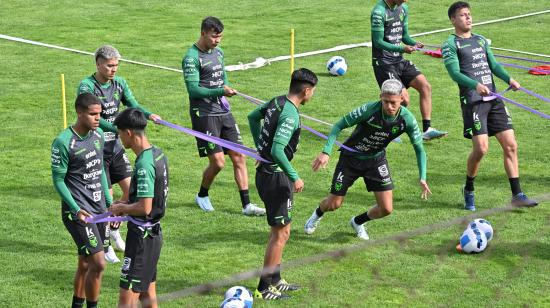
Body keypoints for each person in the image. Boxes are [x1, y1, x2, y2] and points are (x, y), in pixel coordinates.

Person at [304, 79, 431, 240]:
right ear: (380, 97)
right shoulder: (369, 110)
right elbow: (338, 125)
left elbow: (419, 149)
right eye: (385, 101)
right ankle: (316, 215)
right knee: (333, 204)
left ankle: (357, 222)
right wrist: (326, 152)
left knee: (386, 208)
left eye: (393, 102)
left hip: (375, 161)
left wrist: (423, 177)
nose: (389, 107)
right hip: (350, 160)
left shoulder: (407, 120)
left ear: (401, 99)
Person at [442, 1, 538, 210]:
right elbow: (454, 73)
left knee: (511, 145)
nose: (468, 18)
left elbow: (493, 65)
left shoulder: (481, 40)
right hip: (473, 101)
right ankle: (469, 188)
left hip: (493, 99)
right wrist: (475, 85)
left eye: (469, 14)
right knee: (481, 149)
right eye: (462, 15)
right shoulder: (450, 44)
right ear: (453, 20)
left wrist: (509, 79)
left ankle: (517, 194)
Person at [79, 45, 162, 261]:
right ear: (98, 64)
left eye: (116, 65)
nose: (114, 69)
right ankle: (104, 245)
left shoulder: (120, 83)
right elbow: (93, 117)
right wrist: (118, 128)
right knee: (105, 199)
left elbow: (132, 104)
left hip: (116, 147)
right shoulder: (88, 86)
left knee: (128, 192)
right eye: (109, 65)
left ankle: (114, 229)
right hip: (96, 150)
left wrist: (148, 114)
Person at [182, 16, 265, 216]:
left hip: (223, 111)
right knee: (218, 162)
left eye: (220, 37)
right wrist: (220, 92)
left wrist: (225, 89)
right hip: (204, 114)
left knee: (239, 156)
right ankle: (202, 195)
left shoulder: (219, 53)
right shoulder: (191, 57)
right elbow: (193, 90)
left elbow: (222, 78)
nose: (217, 40)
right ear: (203, 33)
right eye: (214, 36)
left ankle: (247, 205)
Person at [248, 68, 318, 300]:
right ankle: (263, 287)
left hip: (268, 173)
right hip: (276, 177)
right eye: (312, 92)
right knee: (280, 234)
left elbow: (252, 117)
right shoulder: (290, 114)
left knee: (282, 231)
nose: (312, 96)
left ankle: (276, 279)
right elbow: (278, 149)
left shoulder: (276, 101)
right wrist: (294, 175)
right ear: (306, 90)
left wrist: (260, 148)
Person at [51, 93, 112, 308]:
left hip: (99, 208)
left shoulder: (99, 135)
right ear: (79, 112)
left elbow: (100, 169)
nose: (98, 118)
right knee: (99, 262)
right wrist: (76, 209)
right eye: (93, 114)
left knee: (85, 262)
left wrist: (109, 202)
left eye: (100, 114)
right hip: (78, 212)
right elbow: (58, 181)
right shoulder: (63, 142)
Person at [109, 108, 169, 308]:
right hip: (153, 235)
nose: (119, 138)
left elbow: (144, 207)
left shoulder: (144, 164)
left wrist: (122, 210)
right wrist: (125, 203)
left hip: (141, 239)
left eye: (119, 133)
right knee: (147, 296)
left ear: (128, 133)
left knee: (126, 301)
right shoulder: (158, 154)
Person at [370, 0, 447, 141]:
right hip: (384, 63)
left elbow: (403, 36)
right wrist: (402, 48)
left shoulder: (403, 8)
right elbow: (378, 42)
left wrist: (413, 43)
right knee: (403, 99)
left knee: (425, 86)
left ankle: (427, 130)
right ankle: (385, 130)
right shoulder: (379, 12)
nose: (406, 0)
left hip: (399, 60)